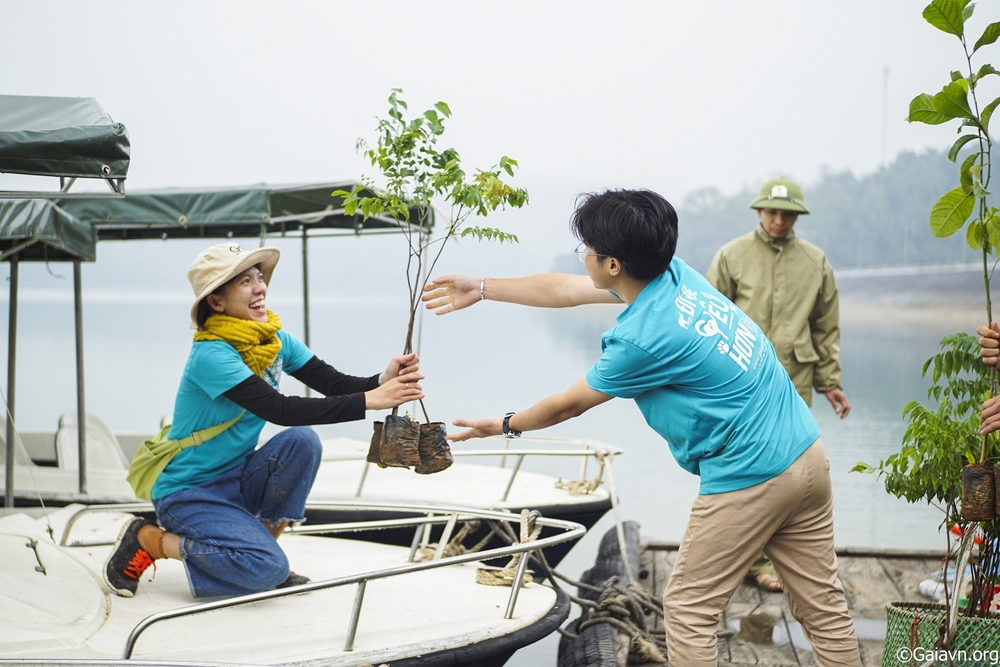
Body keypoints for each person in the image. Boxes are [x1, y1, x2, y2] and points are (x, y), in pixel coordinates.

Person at [422, 189, 861, 666]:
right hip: (806, 454)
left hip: (751, 474)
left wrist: (503, 424)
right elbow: (567, 290)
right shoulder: (675, 275)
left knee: (689, 608)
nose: (582, 255)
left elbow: (567, 405)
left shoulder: (642, 339)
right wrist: (482, 287)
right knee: (822, 605)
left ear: (613, 265)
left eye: (587, 248)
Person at [103, 242, 424, 599]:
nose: (260, 287)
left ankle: (256, 554)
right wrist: (369, 403)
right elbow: (279, 410)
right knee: (268, 568)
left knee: (303, 441)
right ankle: (151, 540)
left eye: (259, 277)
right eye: (244, 281)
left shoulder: (273, 340)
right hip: (189, 490)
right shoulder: (210, 354)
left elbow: (333, 383)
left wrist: (381, 380)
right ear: (217, 301)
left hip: (237, 478)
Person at [706, 176, 852, 593]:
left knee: (788, 468)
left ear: (797, 217)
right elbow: (709, 319)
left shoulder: (815, 262)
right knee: (738, 465)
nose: (779, 220)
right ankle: (737, 558)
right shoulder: (732, 257)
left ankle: (769, 561)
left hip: (796, 378)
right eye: (772, 211)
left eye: (788, 214)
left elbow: (826, 326)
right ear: (759, 211)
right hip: (740, 380)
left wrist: (831, 382)